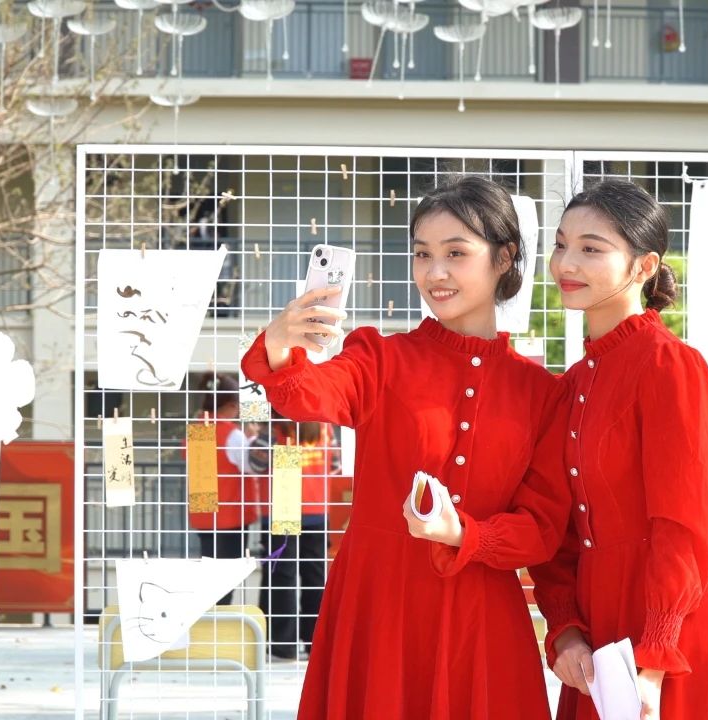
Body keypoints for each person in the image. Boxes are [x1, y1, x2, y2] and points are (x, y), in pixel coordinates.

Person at [241, 176, 569, 719]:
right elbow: (308, 394)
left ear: (504, 257)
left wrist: (465, 534)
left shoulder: (541, 393)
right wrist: (281, 345)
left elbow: (542, 527)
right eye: (422, 254)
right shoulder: (380, 357)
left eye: (456, 253)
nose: (435, 273)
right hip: (380, 606)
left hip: (482, 614)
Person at [530, 180, 708, 720]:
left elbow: (683, 523)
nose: (567, 262)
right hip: (597, 641)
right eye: (561, 244)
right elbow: (557, 529)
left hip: (677, 637)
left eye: (592, 248)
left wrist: (654, 655)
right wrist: (565, 630)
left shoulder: (669, 365)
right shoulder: (570, 386)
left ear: (643, 265)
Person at [261, 420, 335, 660]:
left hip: (284, 506)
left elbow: (255, 464)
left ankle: (283, 644)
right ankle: (315, 641)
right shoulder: (325, 427)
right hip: (317, 508)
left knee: (282, 576)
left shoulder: (277, 429)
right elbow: (335, 464)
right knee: (315, 577)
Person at [191, 373, 258, 605]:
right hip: (230, 516)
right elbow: (251, 465)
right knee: (226, 581)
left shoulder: (197, 429)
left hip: (204, 516)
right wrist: (252, 440)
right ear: (230, 405)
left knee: (209, 579)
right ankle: (220, 623)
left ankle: (209, 621)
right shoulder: (232, 434)